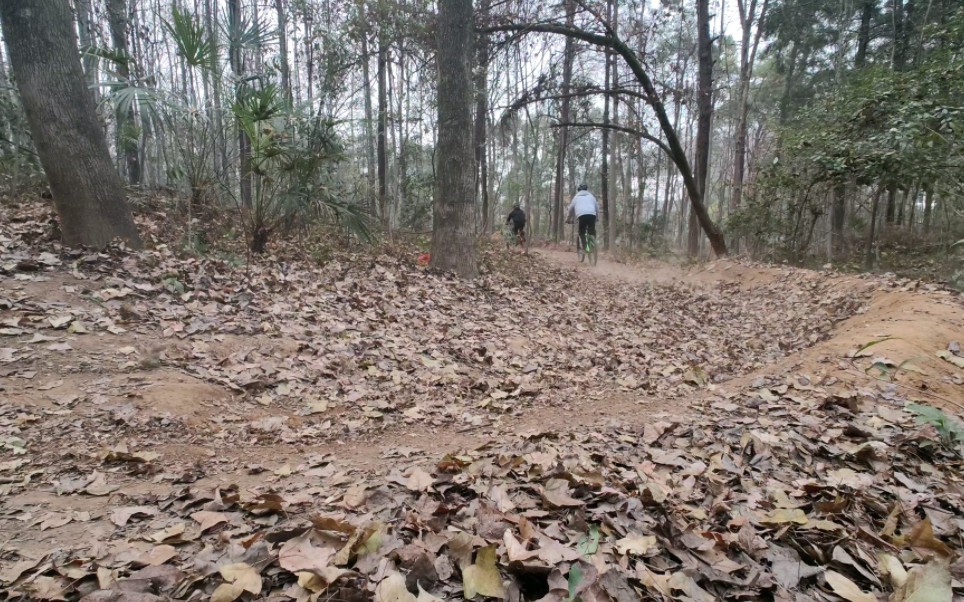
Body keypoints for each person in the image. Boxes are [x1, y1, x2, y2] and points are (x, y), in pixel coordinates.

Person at [566, 183, 598, 249]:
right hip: (592, 215)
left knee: (582, 232)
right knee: (592, 231)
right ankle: (593, 245)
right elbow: (597, 208)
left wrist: (568, 219)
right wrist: (597, 218)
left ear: (579, 190)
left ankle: (586, 248)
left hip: (581, 216)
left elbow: (570, 209)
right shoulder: (591, 196)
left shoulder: (576, 197)